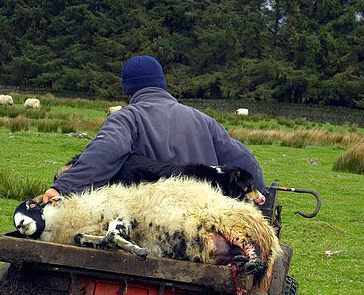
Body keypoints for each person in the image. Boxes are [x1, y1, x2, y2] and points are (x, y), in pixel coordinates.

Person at [41, 55, 267, 204]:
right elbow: (243, 159)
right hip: (209, 218)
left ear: (128, 93)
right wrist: (260, 193)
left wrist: (63, 187)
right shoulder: (202, 119)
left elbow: (104, 151)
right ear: (162, 84)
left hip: (156, 223)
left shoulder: (128, 117)